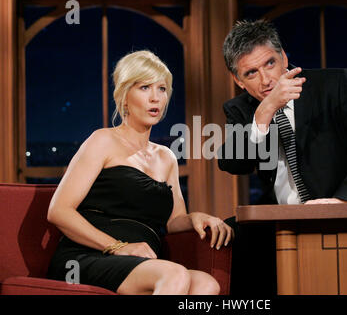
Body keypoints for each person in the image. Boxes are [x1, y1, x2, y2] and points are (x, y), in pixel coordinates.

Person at [218, 20, 347, 294]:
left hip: (336, 209)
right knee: (233, 237)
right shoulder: (241, 110)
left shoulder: (334, 85)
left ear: (284, 58)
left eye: (270, 64)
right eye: (251, 72)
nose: (266, 80)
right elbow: (232, 163)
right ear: (238, 80)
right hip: (279, 223)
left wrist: (341, 201)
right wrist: (263, 114)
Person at [47, 50, 233, 295]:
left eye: (162, 89)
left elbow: (174, 221)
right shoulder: (102, 140)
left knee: (207, 284)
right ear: (124, 97)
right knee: (174, 273)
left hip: (143, 260)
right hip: (88, 256)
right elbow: (58, 211)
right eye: (145, 88)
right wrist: (117, 246)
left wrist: (195, 217)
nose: (155, 98)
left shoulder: (166, 157)